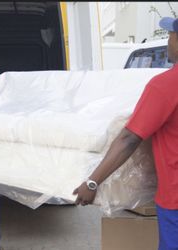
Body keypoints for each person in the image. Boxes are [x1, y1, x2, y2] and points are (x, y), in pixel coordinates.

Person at [73, 17, 178, 250]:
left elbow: (129, 138)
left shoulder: (166, 85)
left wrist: (92, 182)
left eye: (170, 34)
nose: (167, 40)